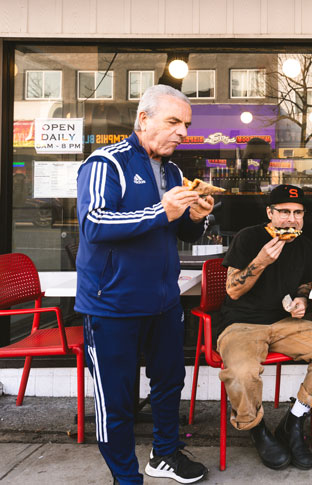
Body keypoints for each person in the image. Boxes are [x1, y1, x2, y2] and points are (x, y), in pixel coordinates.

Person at [75, 84, 212, 484]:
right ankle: (125, 477)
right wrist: (160, 210)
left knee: (169, 383)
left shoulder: (172, 171)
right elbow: (94, 225)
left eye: (185, 125)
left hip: (165, 301)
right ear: (143, 119)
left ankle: (165, 455)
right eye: (173, 122)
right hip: (112, 304)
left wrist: (196, 216)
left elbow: (181, 233)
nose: (181, 132)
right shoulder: (105, 163)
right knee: (116, 401)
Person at [218, 184, 312, 471]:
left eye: (298, 213)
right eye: (284, 212)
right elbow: (233, 291)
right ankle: (258, 428)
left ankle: (294, 420)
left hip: (284, 322)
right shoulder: (249, 238)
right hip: (242, 324)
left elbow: (305, 281)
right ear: (270, 213)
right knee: (242, 373)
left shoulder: (304, 243)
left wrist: (301, 299)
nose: (291, 220)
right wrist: (261, 261)